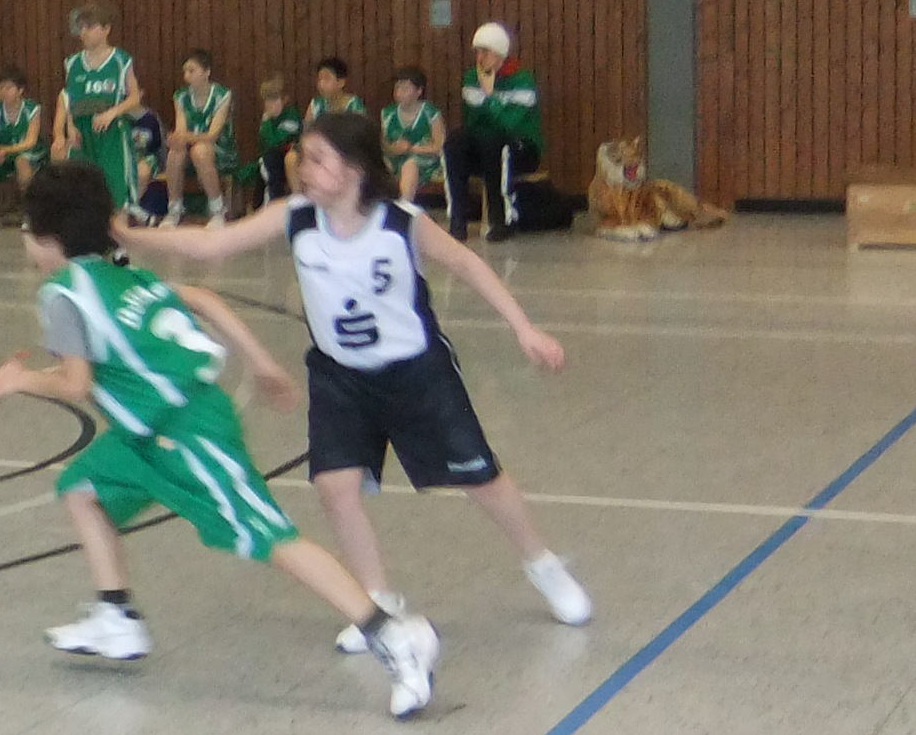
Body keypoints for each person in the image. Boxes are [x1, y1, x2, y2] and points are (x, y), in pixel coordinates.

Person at [0, 160, 439, 717]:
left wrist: (21, 379)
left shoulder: (61, 294)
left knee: (271, 537)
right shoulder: (124, 276)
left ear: (45, 235)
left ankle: (392, 633)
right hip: (148, 434)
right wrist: (261, 361)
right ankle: (116, 616)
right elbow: (202, 299)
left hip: (187, 433)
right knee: (83, 487)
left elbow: (75, 383)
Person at [121, 108, 593, 644]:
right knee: (335, 486)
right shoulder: (295, 216)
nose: (303, 168)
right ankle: (377, 602)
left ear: (353, 170)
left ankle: (543, 564)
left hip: (416, 373)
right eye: (303, 157)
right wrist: (133, 237)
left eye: (317, 159)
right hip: (339, 378)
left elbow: (467, 264)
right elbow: (212, 245)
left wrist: (524, 328)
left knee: (480, 479)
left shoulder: (400, 222)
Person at [458, 21, 547, 240]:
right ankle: (457, 220)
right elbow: (472, 122)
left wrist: (490, 96)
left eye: (485, 52)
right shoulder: (472, 78)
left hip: (521, 148)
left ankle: (502, 221)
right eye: (477, 52)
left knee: (496, 143)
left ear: (499, 54)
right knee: (455, 142)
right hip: (486, 147)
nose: (479, 58)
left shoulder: (522, 80)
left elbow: (510, 126)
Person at [55, 5, 148, 211]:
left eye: (90, 27)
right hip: (82, 130)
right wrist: (70, 126)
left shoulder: (120, 60)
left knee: (115, 189)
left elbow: (134, 97)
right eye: (81, 27)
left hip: (111, 130)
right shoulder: (72, 63)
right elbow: (69, 98)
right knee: (82, 189)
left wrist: (111, 113)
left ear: (106, 29)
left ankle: (120, 228)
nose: (84, 32)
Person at [163, 52, 233, 224]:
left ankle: (217, 209)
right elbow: (181, 131)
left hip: (219, 150)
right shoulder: (180, 96)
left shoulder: (222, 95)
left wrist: (184, 137)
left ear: (206, 72)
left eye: (192, 71)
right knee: (175, 152)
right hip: (191, 147)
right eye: (185, 71)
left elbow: (212, 135)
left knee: (200, 151)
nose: (186, 76)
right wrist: (175, 139)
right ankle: (174, 208)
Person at [383, 66, 448, 212]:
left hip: (426, 159)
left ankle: (403, 210)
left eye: (405, 88)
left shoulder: (430, 112)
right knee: (377, 164)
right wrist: (394, 148)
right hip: (396, 158)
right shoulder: (388, 114)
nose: (400, 92)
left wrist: (411, 148)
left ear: (419, 91)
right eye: (397, 88)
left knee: (410, 165)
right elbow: (384, 145)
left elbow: (440, 146)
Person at [0, 66, 47, 212]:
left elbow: (30, 141)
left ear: (20, 90)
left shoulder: (32, 109)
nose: (4, 92)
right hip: (3, 152)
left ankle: (29, 210)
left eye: (9, 88)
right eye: (1, 88)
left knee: (22, 161)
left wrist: (6, 150)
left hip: (30, 152)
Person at [249, 75, 305, 203]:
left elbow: (276, 142)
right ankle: (259, 205)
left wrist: (266, 122)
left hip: (288, 158)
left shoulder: (291, 117)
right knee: (262, 166)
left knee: (269, 162)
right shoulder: (269, 119)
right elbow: (263, 144)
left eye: (274, 100)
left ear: (284, 100)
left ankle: (273, 203)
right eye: (267, 100)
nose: (270, 105)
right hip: (272, 160)